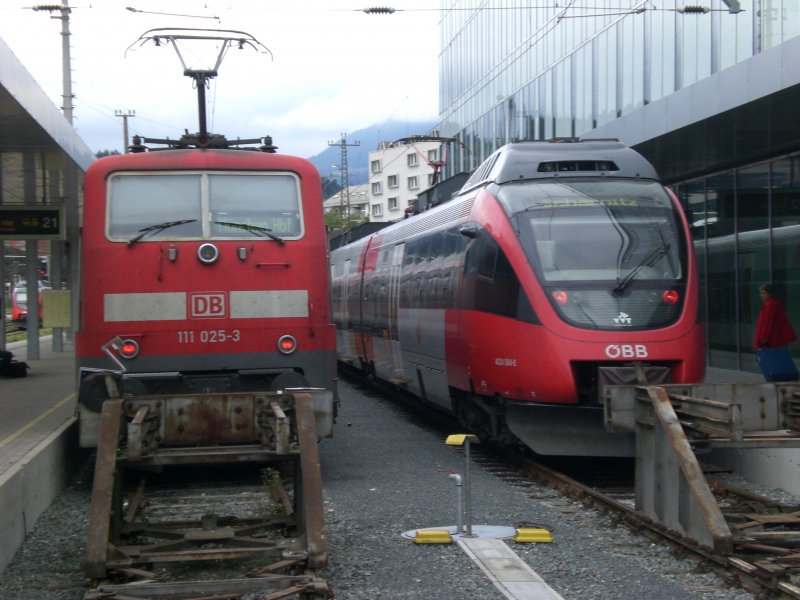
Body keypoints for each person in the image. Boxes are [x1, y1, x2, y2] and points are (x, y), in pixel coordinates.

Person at [754, 283, 796, 350]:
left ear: (770, 294)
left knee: (773, 358)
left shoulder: (770, 305)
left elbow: (767, 324)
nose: (761, 295)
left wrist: (763, 339)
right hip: (776, 340)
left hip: (772, 341)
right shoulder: (773, 303)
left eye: (764, 293)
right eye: (761, 293)